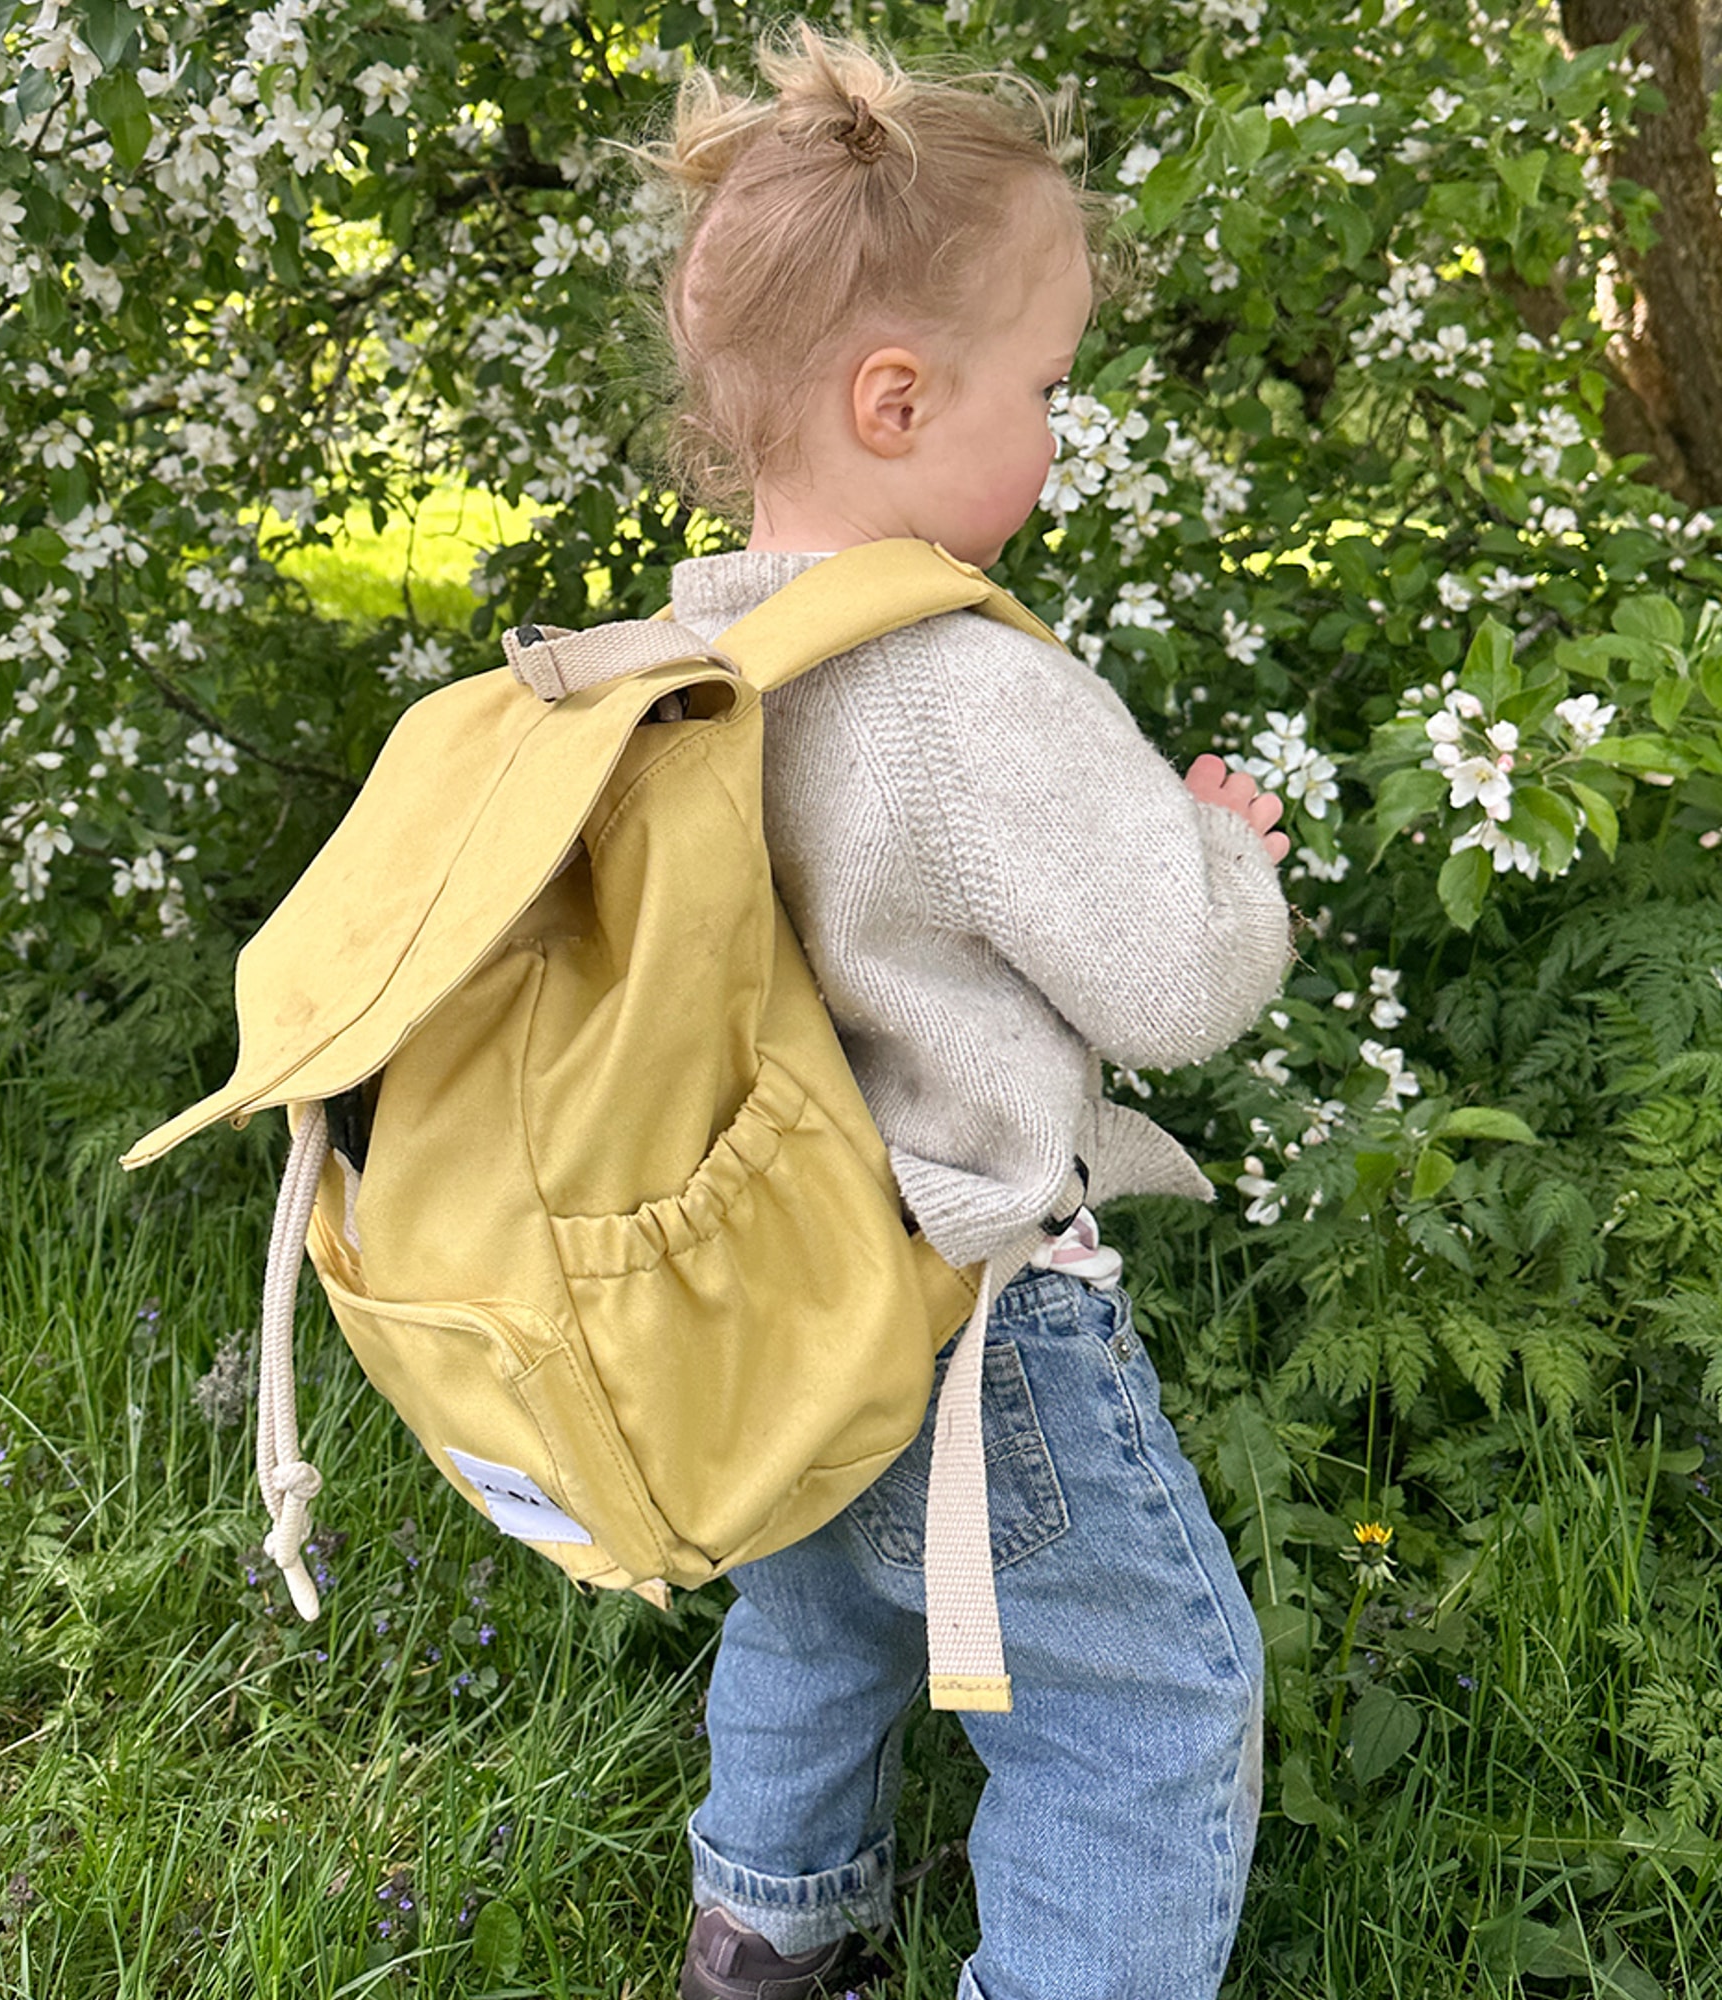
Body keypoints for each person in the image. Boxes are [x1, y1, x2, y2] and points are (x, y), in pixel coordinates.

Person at [634, 26, 1295, 2000]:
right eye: (1047, 391)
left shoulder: (687, 649)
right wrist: (1221, 853)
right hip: (968, 1305)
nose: (1059, 436)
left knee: (819, 1611)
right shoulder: (963, 689)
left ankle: (765, 1932)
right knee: (1144, 1699)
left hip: (773, 1282)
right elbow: (1174, 987)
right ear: (899, 399)